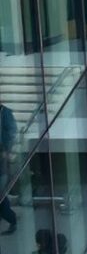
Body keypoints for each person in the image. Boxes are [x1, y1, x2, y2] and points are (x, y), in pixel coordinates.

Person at [0, 100, 17, 236]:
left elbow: (12, 132)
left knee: (1, 195)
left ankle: (11, 218)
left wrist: (7, 149)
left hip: (1, 159)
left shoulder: (5, 113)